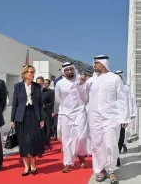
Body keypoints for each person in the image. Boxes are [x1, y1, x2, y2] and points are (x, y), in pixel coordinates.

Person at [78, 55, 129, 184]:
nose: (94, 65)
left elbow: (122, 99)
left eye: (96, 63)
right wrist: (82, 84)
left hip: (111, 117)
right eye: (94, 63)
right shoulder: (91, 81)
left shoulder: (115, 78)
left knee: (111, 145)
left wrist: (124, 118)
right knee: (97, 145)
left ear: (104, 63)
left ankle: (111, 170)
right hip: (95, 118)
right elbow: (83, 97)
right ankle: (100, 170)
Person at [11, 65, 45, 176]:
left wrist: (41, 118)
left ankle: (33, 165)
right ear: (24, 73)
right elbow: (15, 104)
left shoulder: (37, 86)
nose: (32, 74)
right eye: (30, 72)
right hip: (21, 116)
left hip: (33, 115)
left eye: (33, 72)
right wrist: (12, 120)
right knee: (23, 142)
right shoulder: (17, 86)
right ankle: (26, 167)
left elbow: (40, 104)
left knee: (32, 141)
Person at [55, 62, 88, 173]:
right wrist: (66, 107)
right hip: (66, 113)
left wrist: (81, 84)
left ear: (74, 69)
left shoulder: (80, 81)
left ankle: (81, 154)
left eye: (71, 69)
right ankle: (68, 163)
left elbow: (85, 96)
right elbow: (58, 99)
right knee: (67, 140)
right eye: (67, 70)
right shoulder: (59, 83)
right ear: (63, 72)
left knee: (81, 136)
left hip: (80, 111)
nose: (69, 71)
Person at [114, 70, 135, 166]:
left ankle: (116, 155)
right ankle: (115, 158)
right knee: (113, 138)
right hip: (113, 116)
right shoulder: (111, 88)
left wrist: (129, 114)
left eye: (120, 76)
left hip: (123, 116)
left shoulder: (126, 88)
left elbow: (130, 102)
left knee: (121, 137)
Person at [36, 76, 54, 148]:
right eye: (38, 83)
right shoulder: (32, 91)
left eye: (41, 83)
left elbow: (52, 103)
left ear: (43, 83)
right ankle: (39, 144)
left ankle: (46, 143)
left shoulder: (48, 92)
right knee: (38, 129)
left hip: (46, 113)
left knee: (47, 129)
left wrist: (44, 106)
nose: (39, 84)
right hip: (36, 113)